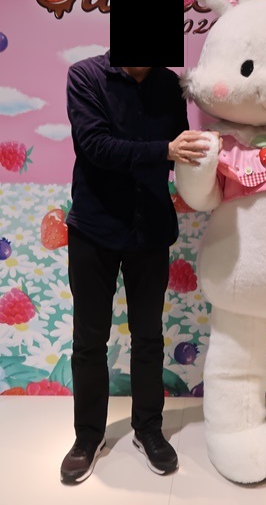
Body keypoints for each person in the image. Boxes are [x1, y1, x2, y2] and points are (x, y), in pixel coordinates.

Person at [60, 51, 215, 484]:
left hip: (150, 229)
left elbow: (177, 153)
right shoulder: (85, 76)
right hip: (94, 229)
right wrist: (165, 149)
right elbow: (94, 146)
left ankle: (148, 429)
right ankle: (87, 437)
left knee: (148, 336)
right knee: (89, 340)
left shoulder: (169, 85)